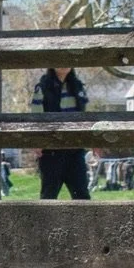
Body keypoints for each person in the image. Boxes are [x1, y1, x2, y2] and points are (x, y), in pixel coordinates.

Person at [33, 67, 91, 199]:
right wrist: (37, 141)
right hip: (51, 151)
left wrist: (91, 140)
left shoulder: (78, 87)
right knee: (49, 195)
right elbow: (36, 117)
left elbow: (85, 117)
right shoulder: (42, 87)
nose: (64, 65)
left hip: (75, 150)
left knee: (82, 195)